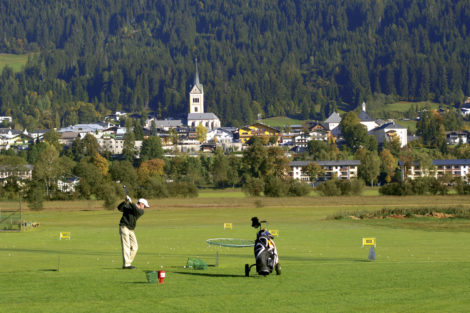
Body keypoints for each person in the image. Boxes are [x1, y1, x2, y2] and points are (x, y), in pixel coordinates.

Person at [117, 196, 149, 269]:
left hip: (131, 229)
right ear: (141, 204)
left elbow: (136, 210)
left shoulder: (140, 211)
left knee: (135, 247)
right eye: (144, 206)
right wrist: (125, 202)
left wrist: (131, 202)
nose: (144, 208)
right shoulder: (129, 206)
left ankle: (128, 262)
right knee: (126, 246)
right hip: (124, 227)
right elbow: (119, 208)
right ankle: (126, 265)